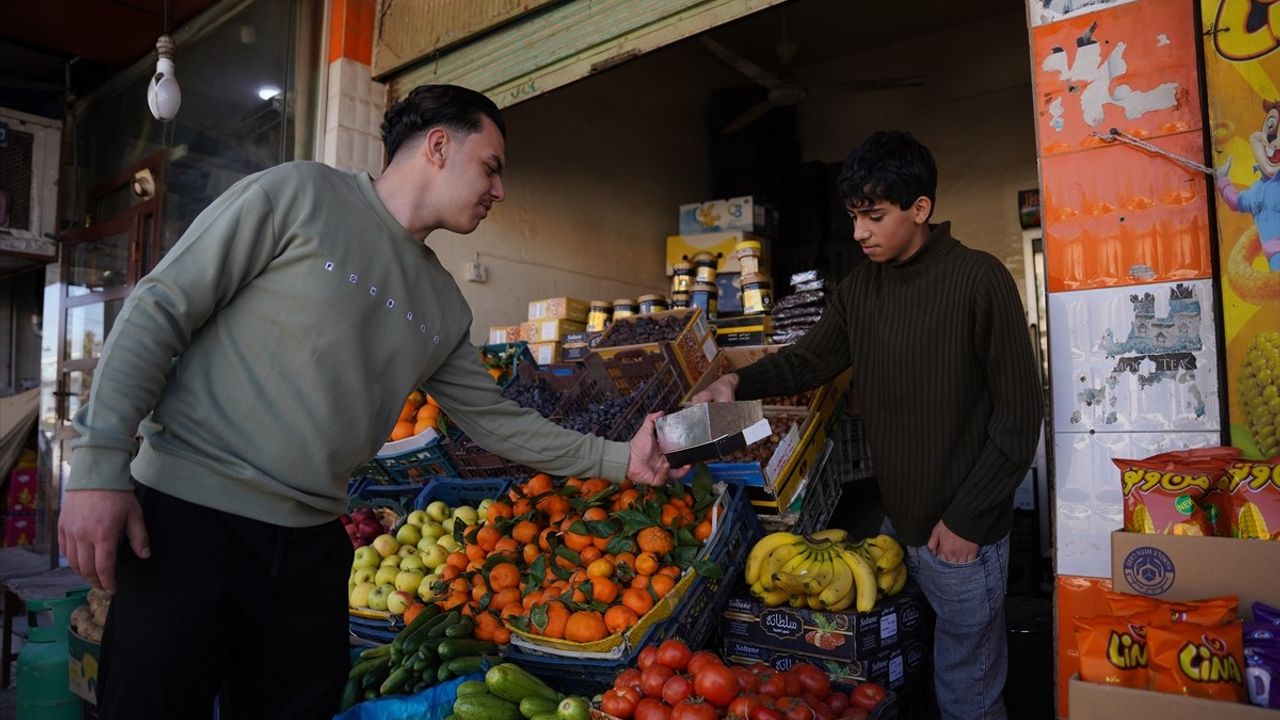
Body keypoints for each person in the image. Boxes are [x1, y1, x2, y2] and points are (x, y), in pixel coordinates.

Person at [59, 84, 678, 720]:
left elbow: (496, 422)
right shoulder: (297, 194)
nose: (500, 191)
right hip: (188, 520)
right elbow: (160, 308)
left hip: (308, 552)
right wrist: (98, 464)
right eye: (491, 168)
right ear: (438, 146)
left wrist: (618, 459)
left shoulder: (442, 303)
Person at [693, 131, 1043, 720]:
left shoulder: (980, 279)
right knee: (907, 666)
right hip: (896, 522)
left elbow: (1018, 414)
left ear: (920, 209)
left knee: (968, 680)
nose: (859, 233)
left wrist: (967, 518)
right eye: (854, 216)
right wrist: (735, 382)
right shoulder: (859, 291)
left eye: (874, 216)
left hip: (963, 532)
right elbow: (810, 359)